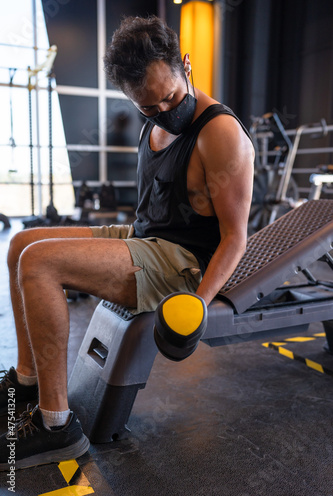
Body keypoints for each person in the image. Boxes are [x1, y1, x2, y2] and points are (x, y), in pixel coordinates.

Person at [0, 15, 254, 470]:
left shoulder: (220, 133)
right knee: (22, 243)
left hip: (183, 261)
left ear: (187, 66)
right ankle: (26, 382)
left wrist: (197, 303)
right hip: (146, 237)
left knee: (40, 264)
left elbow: (236, 237)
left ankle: (56, 427)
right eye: (148, 107)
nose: (162, 111)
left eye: (171, 98)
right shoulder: (154, 119)